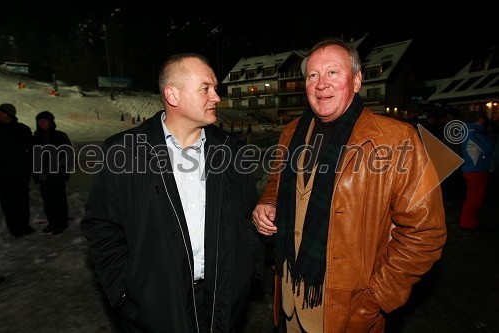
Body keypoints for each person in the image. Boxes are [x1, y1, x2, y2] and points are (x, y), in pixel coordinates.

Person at [252, 38, 447, 332]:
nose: (321, 84)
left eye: (333, 73)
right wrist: (267, 201)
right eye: (313, 75)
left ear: (356, 81)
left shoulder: (396, 140)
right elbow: (277, 181)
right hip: (290, 297)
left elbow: (426, 233)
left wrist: (376, 299)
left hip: (347, 309)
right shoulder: (291, 132)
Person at [80, 53, 265, 333]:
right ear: (173, 95)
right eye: (206, 88)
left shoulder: (230, 150)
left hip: (222, 299)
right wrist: (124, 289)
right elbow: (102, 227)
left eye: (215, 88)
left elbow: (247, 217)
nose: (216, 97)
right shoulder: (124, 152)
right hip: (156, 305)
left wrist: (245, 274)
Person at [32, 111, 73, 235]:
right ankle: (52, 222)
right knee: (47, 200)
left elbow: (68, 153)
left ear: (51, 122)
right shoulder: (35, 138)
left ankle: (61, 223)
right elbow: (32, 157)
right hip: (43, 175)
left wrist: (63, 171)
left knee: (59, 199)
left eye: (45, 121)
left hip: (57, 174)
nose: (42, 124)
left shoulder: (60, 136)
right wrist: (36, 174)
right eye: (40, 121)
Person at [0, 103, 35, 238]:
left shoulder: (22, 129)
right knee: (8, 202)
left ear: (9, 114)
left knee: (22, 199)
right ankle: (14, 227)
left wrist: (30, 167)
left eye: (2, 112)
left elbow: (31, 150)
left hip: (20, 172)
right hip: (2, 174)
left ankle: (24, 225)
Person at [459, 113, 494, 229]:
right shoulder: (473, 133)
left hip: (472, 168)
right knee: (475, 197)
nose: (483, 122)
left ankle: (470, 222)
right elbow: (489, 147)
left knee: (473, 196)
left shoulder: (468, 132)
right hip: (476, 169)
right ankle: (468, 223)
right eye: (482, 119)